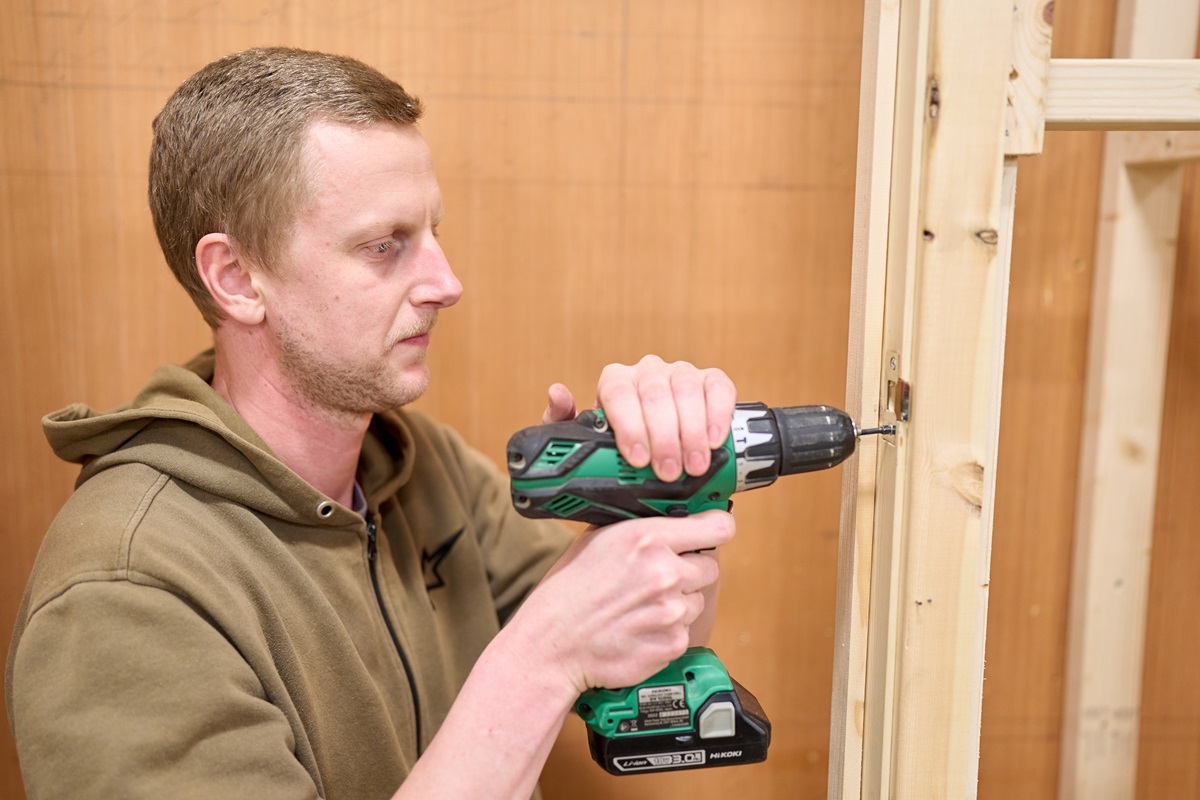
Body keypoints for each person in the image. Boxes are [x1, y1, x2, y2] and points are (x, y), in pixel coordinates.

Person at [5, 47, 737, 800]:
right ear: (237, 278)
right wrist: (539, 661)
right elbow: (552, 654)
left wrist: (667, 495)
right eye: (384, 246)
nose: (447, 285)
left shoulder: (424, 469)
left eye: (432, 233)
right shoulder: (122, 595)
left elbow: (651, 659)